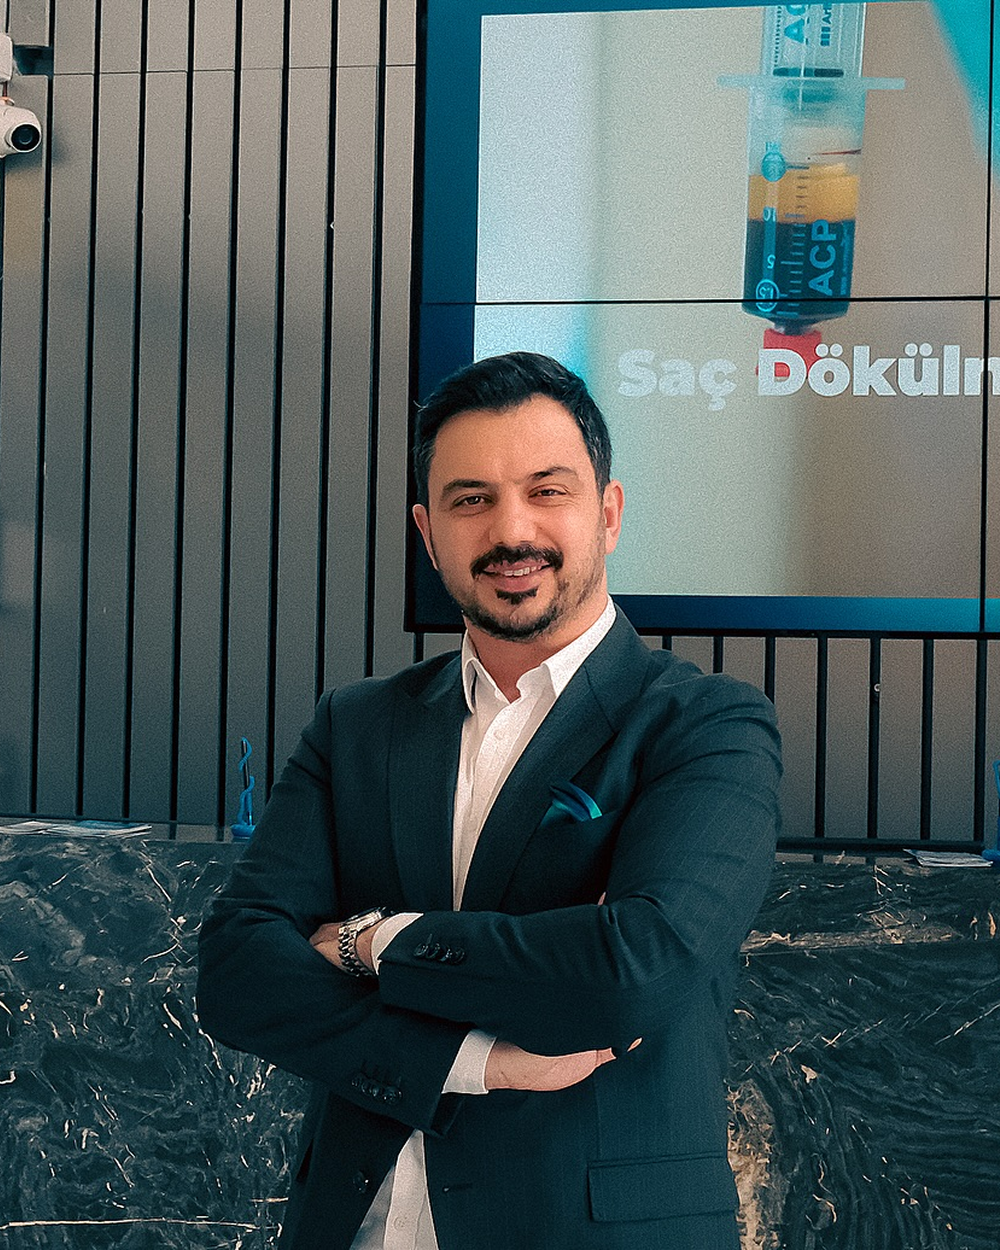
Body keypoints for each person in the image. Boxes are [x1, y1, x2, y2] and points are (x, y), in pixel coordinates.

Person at [196, 351, 782, 1250]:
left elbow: (634, 966)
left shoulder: (707, 724)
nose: (512, 530)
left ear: (608, 513)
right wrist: (484, 1060)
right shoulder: (357, 725)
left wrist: (369, 941)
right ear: (429, 534)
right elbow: (237, 972)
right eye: (472, 499)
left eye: (548, 491)